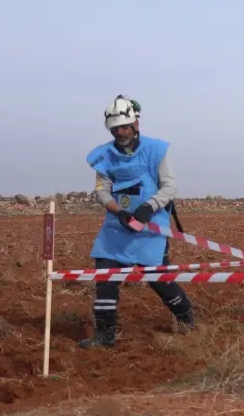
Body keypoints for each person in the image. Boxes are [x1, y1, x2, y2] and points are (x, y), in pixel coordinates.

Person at [78, 94, 195, 349]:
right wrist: (117, 210)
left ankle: (187, 319)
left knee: (158, 279)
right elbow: (102, 190)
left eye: (125, 127)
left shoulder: (156, 150)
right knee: (105, 278)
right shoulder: (103, 156)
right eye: (116, 128)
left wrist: (148, 207)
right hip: (115, 228)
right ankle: (105, 333)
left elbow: (169, 187)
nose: (121, 132)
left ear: (136, 125)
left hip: (150, 228)